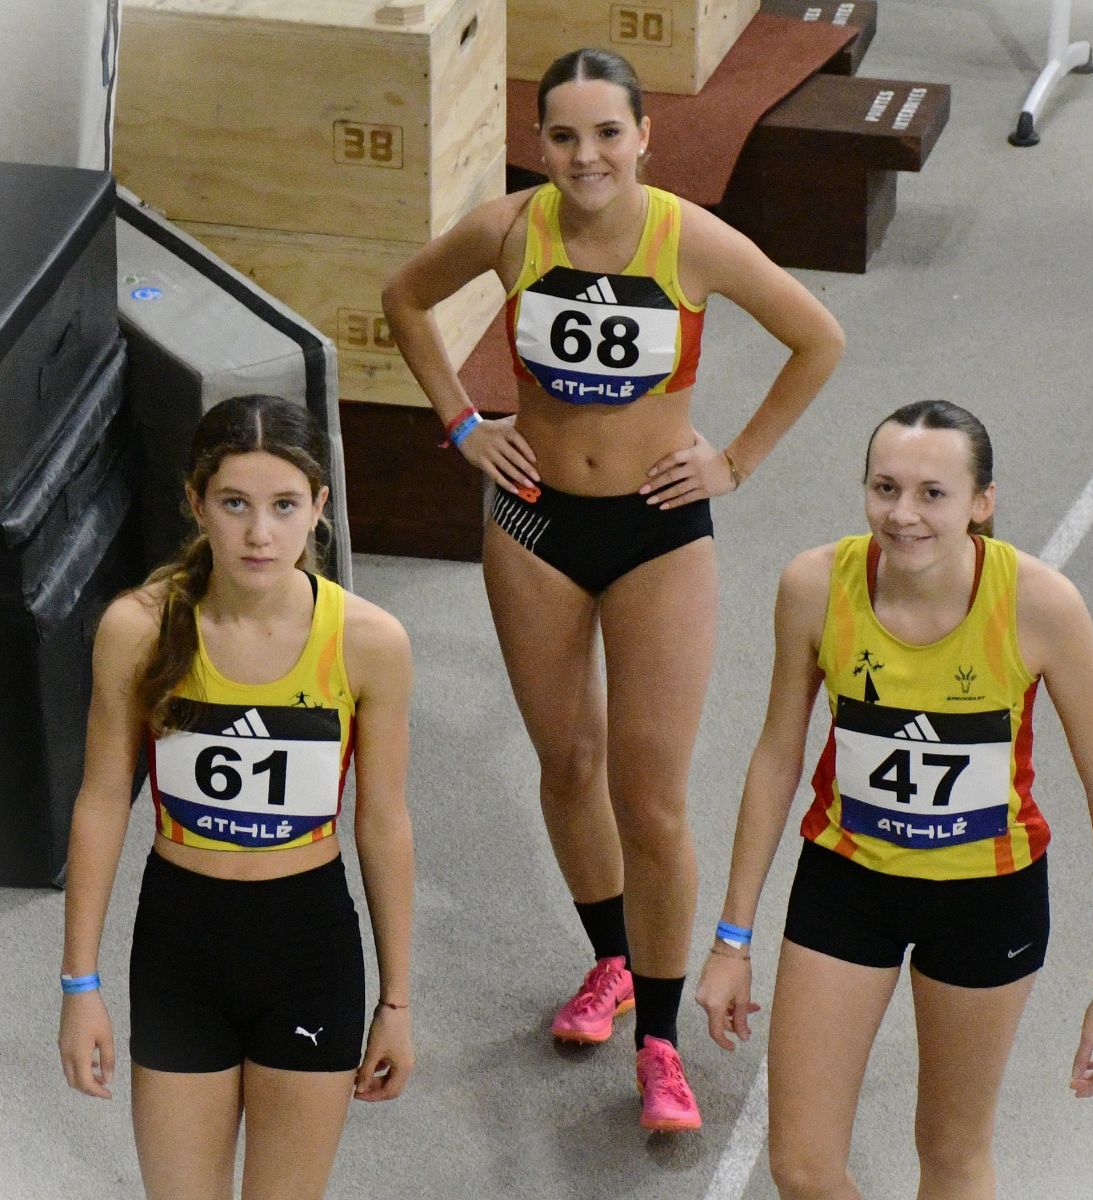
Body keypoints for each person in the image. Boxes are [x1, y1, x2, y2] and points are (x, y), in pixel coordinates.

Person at [381, 47, 844, 1130]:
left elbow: (818, 339)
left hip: (657, 532)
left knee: (652, 798)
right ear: (540, 144)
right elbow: (403, 297)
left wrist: (735, 461)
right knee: (569, 763)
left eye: (606, 133)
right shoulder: (509, 230)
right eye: (563, 136)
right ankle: (612, 962)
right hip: (532, 524)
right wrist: (462, 424)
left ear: (644, 136)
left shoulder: (692, 239)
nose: (585, 155)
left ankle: (662, 1042)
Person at [696, 399, 1093, 1198]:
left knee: (951, 1153)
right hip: (847, 883)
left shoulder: (1042, 606)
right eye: (885, 488)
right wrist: (732, 940)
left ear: (981, 502)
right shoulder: (813, 586)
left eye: (933, 494)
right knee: (801, 1167)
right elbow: (776, 757)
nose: (903, 514)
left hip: (987, 901)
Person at [57, 394, 415, 1200]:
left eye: (284, 506)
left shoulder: (369, 643)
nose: (260, 534)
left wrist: (396, 1000)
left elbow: (384, 823)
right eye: (235, 504)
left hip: (308, 949)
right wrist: (80, 985)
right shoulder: (137, 629)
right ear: (196, 503)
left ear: (319, 507)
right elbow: (101, 803)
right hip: (179, 946)